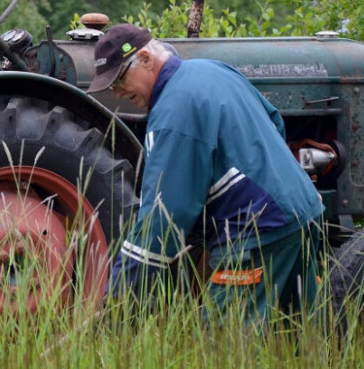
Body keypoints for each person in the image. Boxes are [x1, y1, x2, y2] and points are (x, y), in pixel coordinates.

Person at [87, 24, 324, 324]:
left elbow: (163, 216)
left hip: (259, 233)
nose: (118, 93)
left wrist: (119, 295)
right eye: (111, 87)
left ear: (146, 59)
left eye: (119, 79)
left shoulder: (173, 113)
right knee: (294, 339)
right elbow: (274, 123)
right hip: (303, 213)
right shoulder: (214, 70)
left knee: (221, 348)